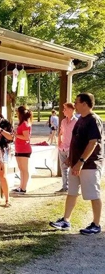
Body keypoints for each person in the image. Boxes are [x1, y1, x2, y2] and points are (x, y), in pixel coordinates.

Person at [50, 93, 103, 235]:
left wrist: (80, 162)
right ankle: (65, 220)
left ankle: (96, 224)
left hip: (90, 164)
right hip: (76, 163)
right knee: (72, 192)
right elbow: (76, 141)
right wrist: (71, 159)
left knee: (93, 194)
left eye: (77, 102)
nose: (75, 105)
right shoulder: (81, 120)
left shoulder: (93, 120)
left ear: (85, 104)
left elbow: (93, 143)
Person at [55, 103, 78, 193]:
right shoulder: (63, 121)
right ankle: (65, 187)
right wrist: (59, 143)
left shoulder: (76, 121)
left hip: (71, 148)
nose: (63, 111)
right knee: (63, 168)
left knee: (72, 168)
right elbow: (61, 132)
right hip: (62, 148)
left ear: (71, 110)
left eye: (65, 109)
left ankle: (74, 187)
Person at [13, 106, 32, 194]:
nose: (16, 114)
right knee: (21, 169)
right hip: (19, 148)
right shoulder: (22, 123)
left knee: (24, 169)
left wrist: (16, 135)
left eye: (17, 112)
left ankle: (24, 187)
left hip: (24, 149)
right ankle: (21, 186)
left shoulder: (24, 124)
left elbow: (26, 137)